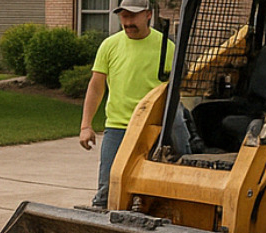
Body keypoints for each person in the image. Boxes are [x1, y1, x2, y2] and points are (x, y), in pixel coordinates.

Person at [79, 0, 190, 208]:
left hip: (155, 128)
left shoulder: (168, 47)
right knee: (107, 190)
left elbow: (176, 91)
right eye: (124, 16)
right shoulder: (110, 45)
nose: (127, 22)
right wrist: (86, 125)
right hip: (118, 127)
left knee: (168, 186)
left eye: (133, 16)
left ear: (148, 15)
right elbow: (95, 87)